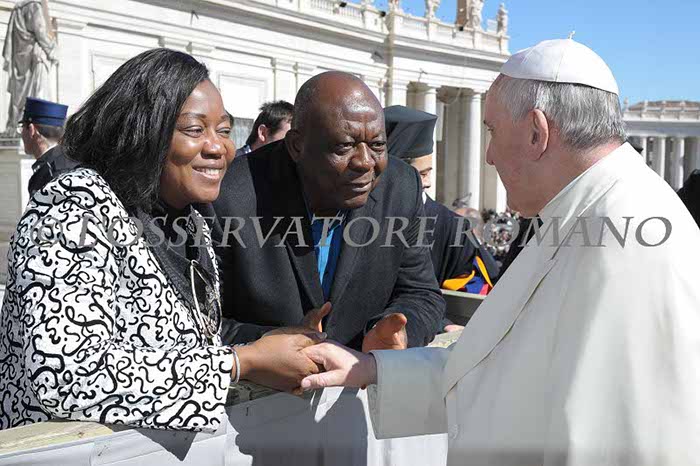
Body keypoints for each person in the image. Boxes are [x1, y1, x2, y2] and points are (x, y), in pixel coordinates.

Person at [299, 39, 700, 465]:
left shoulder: (628, 243)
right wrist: (373, 369)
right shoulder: (579, 214)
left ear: (536, 133)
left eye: (491, 131)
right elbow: (499, 368)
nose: (487, 156)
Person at [0, 48, 325, 432]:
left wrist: (275, 340)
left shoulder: (189, 220)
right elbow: (66, 375)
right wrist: (242, 363)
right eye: (195, 130)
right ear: (141, 130)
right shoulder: (74, 207)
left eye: (224, 131)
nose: (218, 147)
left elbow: (193, 336)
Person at [204, 71, 445, 352]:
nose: (365, 162)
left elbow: (421, 294)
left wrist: (398, 333)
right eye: (345, 146)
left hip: (361, 373)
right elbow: (203, 321)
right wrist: (275, 342)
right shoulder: (228, 195)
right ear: (297, 146)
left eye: (377, 145)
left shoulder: (401, 187)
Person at [384, 105, 498, 332]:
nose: (428, 183)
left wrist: (442, 323)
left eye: (429, 171)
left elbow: (474, 293)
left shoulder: (452, 226)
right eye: (421, 174)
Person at [18, 97, 79, 196]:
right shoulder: (65, 161)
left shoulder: (54, 171)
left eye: (22, 127)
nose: (21, 133)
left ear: (32, 130)